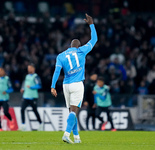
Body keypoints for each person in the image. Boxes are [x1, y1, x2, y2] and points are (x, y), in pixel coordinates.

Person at [51, 14, 97, 144]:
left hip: (66, 85)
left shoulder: (61, 55)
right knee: (74, 110)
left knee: (72, 111)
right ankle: (66, 134)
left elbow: (56, 71)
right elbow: (94, 39)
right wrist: (91, 24)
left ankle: (76, 138)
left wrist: (53, 86)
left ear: (70, 46)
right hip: (77, 84)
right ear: (77, 46)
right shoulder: (81, 51)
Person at [20, 64, 42, 131]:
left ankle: (40, 124)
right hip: (26, 96)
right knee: (22, 109)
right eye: (28, 68)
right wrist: (23, 88)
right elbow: (25, 84)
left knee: (35, 111)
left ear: (33, 69)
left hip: (33, 97)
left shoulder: (36, 77)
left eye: (30, 68)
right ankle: (23, 125)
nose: (29, 69)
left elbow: (39, 86)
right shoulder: (27, 76)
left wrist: (32, 87)